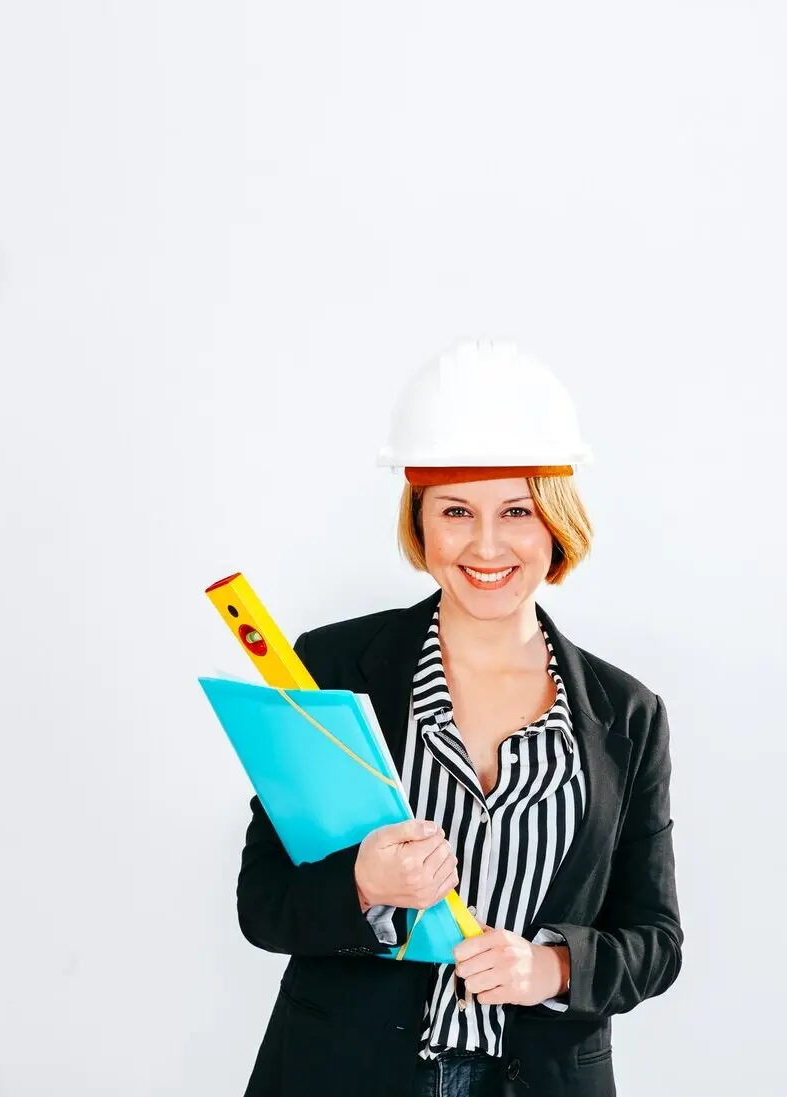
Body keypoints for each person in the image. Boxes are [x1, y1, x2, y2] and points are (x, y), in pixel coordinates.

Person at [235, 341, 683, 1097]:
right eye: (455, 511)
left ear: (555, 521)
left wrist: (550, 967)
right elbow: (263, 902)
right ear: (420, 521)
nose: (486, 544)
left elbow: (655, 939)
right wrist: (361, 883)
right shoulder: (334, 666)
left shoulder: (628, 714)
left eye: (516, 511)